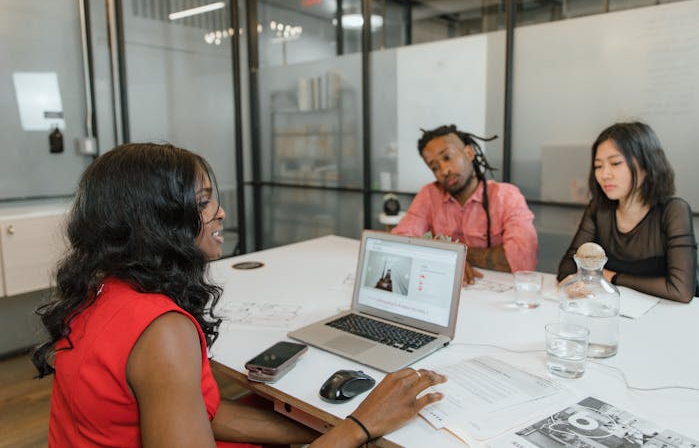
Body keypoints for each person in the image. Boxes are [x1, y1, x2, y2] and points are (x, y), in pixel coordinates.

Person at [32, 143, 446, 447]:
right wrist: (360, 427)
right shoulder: (160, 330)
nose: (220, 213)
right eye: (203, 203)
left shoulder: (98, 290)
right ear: (159, 223)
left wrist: (327, 428)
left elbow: (206, 413)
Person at [557, 122, 698, 303]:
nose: (604, 174)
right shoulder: (599, 209)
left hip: (666, 316)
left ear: (646, 165)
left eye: (615, 163)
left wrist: (611, 277)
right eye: (598, 166)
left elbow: (680, 290)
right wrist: (598, 279)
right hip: (612, 310)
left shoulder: (673, 211)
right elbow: (567, 268)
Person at [392, 124, 538, 283]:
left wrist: (451, 255)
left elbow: (522, 258)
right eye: (434, 167)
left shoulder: (506, 196)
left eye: (447, 157)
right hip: (446, 287)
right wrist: (447, 259)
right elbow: (399, 242)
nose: (444, 170)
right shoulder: (430, 194)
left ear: (469, 153)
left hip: (498, 293)